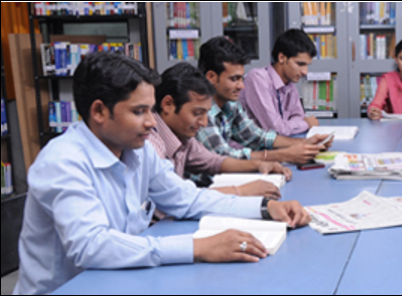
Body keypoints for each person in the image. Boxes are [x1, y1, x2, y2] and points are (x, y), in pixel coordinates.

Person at [14, 52, 311, 295]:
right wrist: (198, 248)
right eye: (139, 111)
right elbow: (92, 247)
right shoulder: (62, 161)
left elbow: (188, 200)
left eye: (151, 110)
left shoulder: (137, 151)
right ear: (99, 111)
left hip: (119, 280)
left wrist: (265, 208)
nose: (151, 123)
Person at [152, 63, 292, 199]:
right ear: (168, 105)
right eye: (197, 113)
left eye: (206, 113)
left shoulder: (183, 137)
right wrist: (241, 191)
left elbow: (215, 161)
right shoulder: (152, 147)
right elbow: (179, 197)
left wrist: (260, 165)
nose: (204, 122)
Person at [195, 37, 332, 169]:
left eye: (241, 78)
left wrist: (305, 143)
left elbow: (257, 136)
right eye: (234, 79)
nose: (241, 86)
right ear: (211, 77)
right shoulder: (200, 111)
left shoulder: (230, 104)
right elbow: (224, 158)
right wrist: (285, 155)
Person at [240, 29, 319, 136]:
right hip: (251, 149)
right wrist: (306, 124)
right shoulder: (257, 79)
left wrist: (290, 124)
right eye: (300, 64)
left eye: (307, 65)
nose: (305, 72)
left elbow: (298, 117)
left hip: (275, 145)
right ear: (282, 58)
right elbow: (274, 129)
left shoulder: (290, 86)